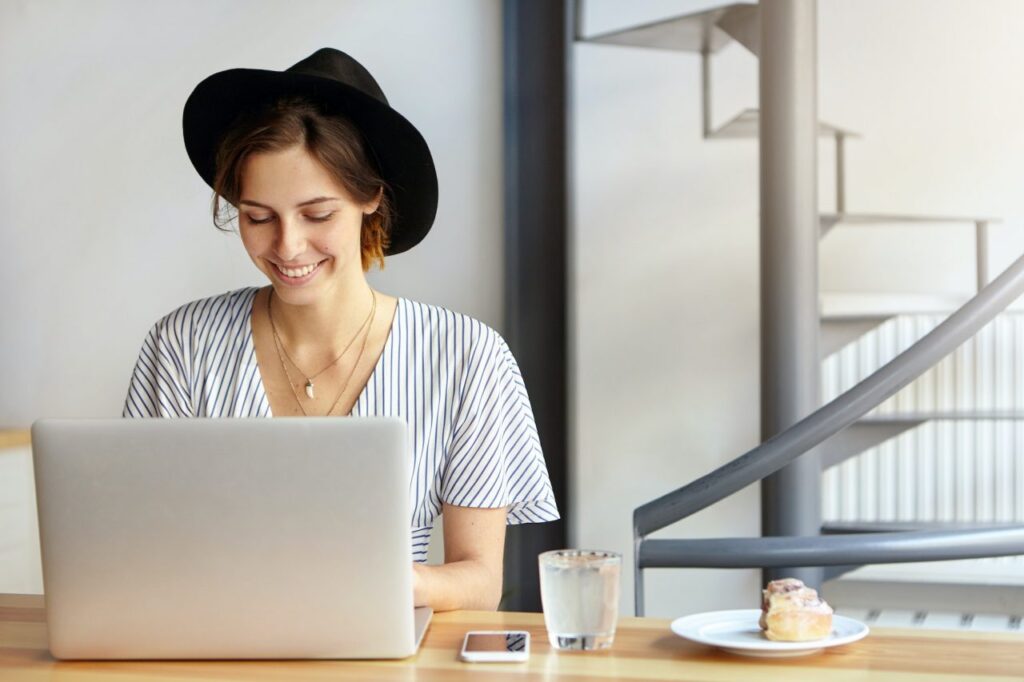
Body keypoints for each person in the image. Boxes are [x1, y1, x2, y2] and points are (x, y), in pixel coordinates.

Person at [122, 47, 559, 612]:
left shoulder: (466, 356)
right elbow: (136, 545)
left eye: (317, 214)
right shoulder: (182, 346)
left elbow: (478, 582)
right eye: (258, 217)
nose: (288, 246)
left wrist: (394, 582)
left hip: (384, 644)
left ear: (370, 197)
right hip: (215, 645)